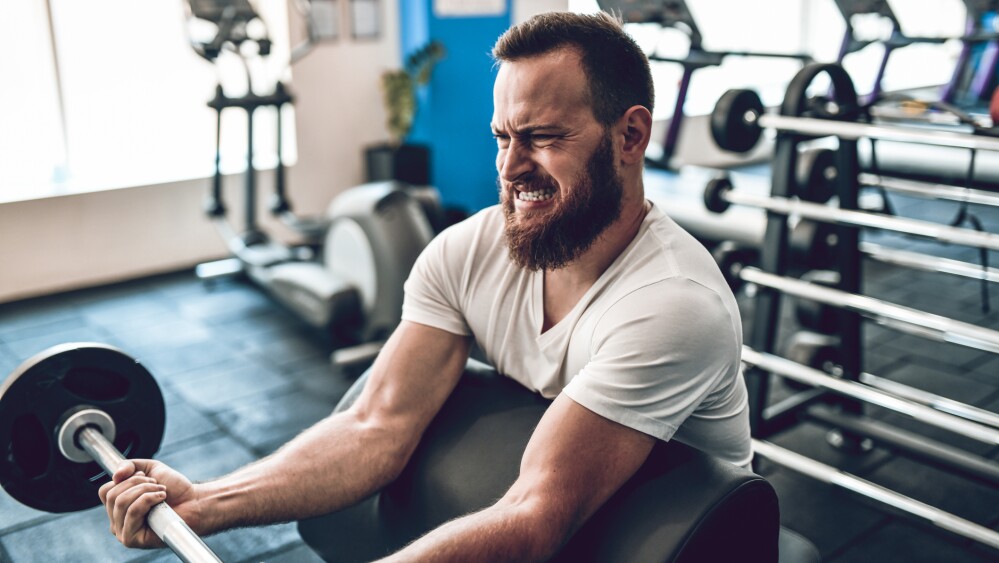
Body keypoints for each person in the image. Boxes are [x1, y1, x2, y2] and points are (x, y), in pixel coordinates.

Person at [100, 11, 751, 561]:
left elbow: (533, 513)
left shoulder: (672, 305)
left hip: (685, 533)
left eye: (543, 138)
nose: (511, 167)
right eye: (502, 137)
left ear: (631, 135)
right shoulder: (469, 251)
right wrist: (204, 500)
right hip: (565, 494)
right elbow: (374, 423)